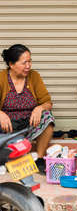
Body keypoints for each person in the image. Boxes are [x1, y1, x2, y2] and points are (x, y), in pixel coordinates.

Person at [0, 44, 55, 173]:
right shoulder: (2, 78)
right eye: (24, 63)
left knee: (47, 117)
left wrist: (39, 108)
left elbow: (47, 102)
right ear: (11, 64)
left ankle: (39, 159)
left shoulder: (34, 76)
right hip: (7, 127)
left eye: (30, 61)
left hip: (29, 124)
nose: (28, 66)